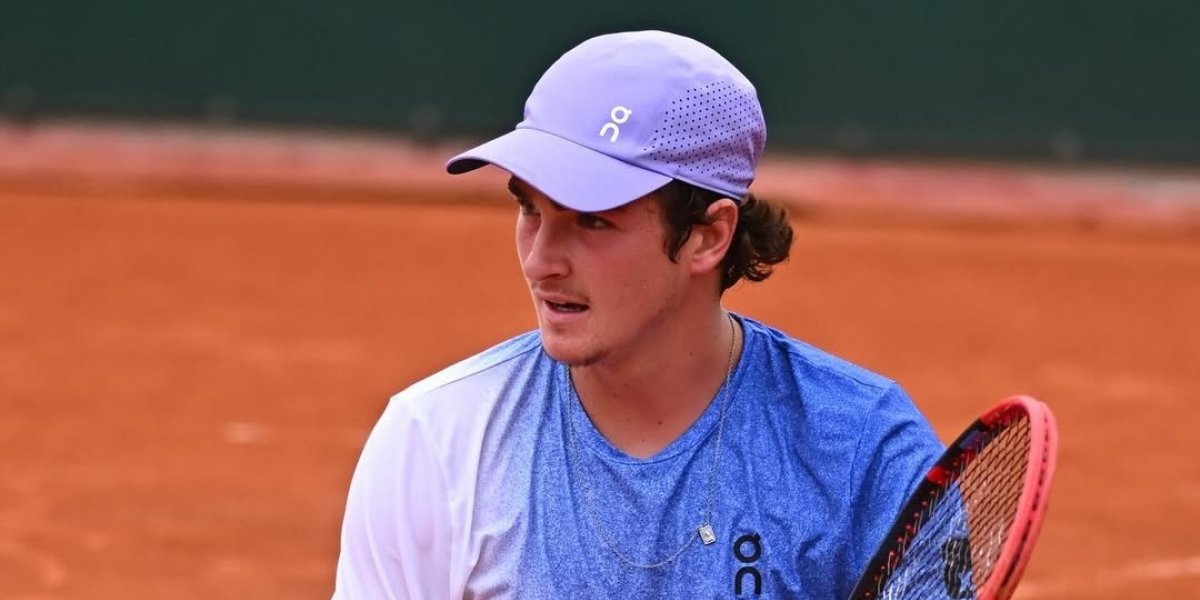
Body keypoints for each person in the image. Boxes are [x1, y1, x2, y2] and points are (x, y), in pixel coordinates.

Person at [332, 30, 943, 599]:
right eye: (530, 210)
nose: (541, 261)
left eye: (593, 220)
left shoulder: (863, 448)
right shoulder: (439, 440)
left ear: (708, 236)